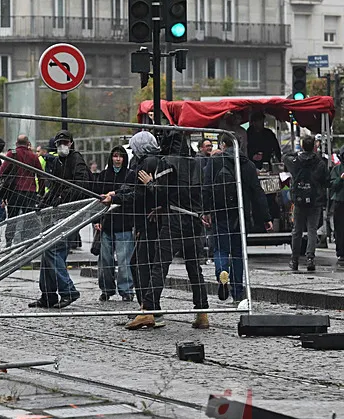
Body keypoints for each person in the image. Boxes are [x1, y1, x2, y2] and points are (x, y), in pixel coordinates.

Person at [138, 131, 210, 329]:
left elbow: (163, 191)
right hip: (194, 220)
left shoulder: (167, 161)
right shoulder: (195, 163)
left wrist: (150, 184)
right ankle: (202, 312)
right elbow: (191, 192)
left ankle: (148, 310)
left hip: (174, 222)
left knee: (160, 265)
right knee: (195, 269)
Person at [102, 132, 162, 328]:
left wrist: (117, 197)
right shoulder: (148, 161)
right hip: (148, 221)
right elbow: (135, 188)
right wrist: (116, 193)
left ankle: (148, 308)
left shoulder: (148, 163)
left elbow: (139, 193)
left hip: (152, 222)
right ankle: (148, 307)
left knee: (141, 264)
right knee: (142, 263)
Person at [203, 132, 272, 304]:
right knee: (238, 254)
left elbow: (205, 187)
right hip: (240, 215)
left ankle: (221, 274)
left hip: (220, 213)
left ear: (223, 145)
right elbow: (257, 192)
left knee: (220, 249)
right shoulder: (247, 164)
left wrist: (206, 211)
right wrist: (266, 217)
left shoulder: (215, 162)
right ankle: (238, 292)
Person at [30, 130, 89, 309]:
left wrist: (63, 198)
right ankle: (48, 295)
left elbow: (81, 185)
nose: (62, 146)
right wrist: (44, 202)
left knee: (53, 250)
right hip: (58, 212)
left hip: (71, 213)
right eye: (59, 143)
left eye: (65, 142)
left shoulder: (76, 160)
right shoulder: (57, 162)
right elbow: (55, 186)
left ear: (71, 143)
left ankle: (68, 290)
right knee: (48, 250)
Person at [94, 146, 135, 302]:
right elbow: (96, 200)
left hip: (124, 224)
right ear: (111, 158)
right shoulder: (104, 175)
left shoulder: (130, 175)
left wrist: (115, 196)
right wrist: (96, 220)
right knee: (105, 261)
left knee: (125, 262)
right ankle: (106, 289)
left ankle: (126, 290)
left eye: (120, 156)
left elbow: (132, 196)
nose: (117, 159)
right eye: (115, 156)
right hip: (106, 224)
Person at [284, 136, 329, 272]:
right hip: (314, 201)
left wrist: (295, 153)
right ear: (314, 146)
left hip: (298, 200)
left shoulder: (295, 161)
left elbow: (285, 156)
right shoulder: (320, 163)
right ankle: (310, 258)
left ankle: (295, 259)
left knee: (296, 231)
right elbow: (326, 182)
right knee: (312, 230)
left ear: (302, 146)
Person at [0, 135, 43, 247]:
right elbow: (41, 175)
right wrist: (40, 192)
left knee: (12, 217)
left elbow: (2, 172)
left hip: (15, 191)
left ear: (16, 143)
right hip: (30, 192)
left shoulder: (12, 154)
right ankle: (26, 243)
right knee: (28, 218)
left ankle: (9, 243)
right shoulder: (33, 156)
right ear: (28, 143)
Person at [330, 146, 344, 264]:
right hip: (339, 201)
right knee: (339, 229)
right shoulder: (337, 169)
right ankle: (341, 252)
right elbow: (333, 186)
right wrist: (341, 178)